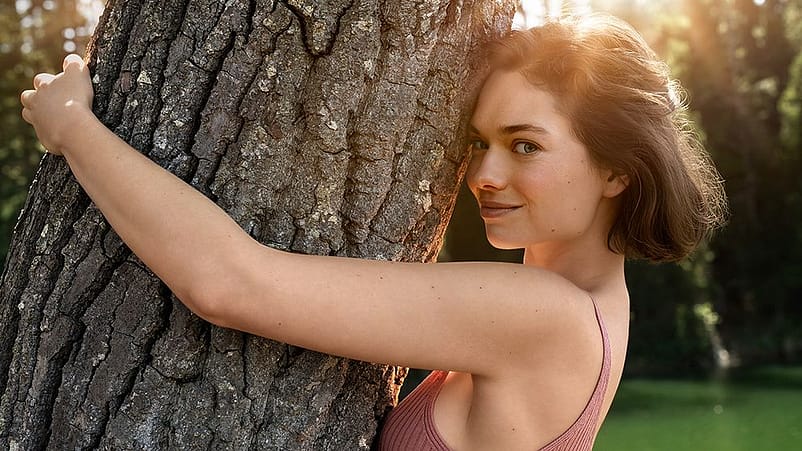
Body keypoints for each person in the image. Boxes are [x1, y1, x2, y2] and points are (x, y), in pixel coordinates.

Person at [20, 13, 726, 451]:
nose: (484, 173)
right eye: (479, 143)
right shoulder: (595, 308)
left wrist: (74, 128)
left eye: (526, 145)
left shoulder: (545, 316)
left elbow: (228, 283)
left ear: (618, 171)